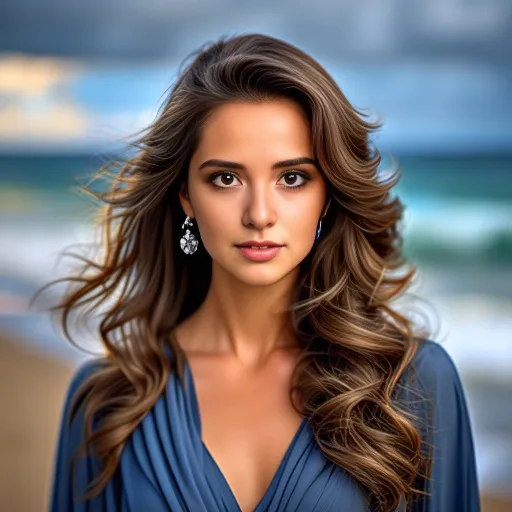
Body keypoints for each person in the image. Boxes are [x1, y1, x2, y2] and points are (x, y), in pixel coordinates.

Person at [42, 33, 480, 511]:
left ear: (327, 195)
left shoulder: (411, 384)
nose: (259, 214)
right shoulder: (108, 402)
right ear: (186, 194)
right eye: (225, 178)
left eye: (292, 178)